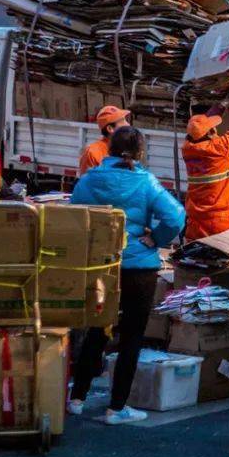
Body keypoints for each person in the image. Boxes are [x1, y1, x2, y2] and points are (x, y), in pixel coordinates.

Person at [68, 126, 185, 425]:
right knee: (131, 337)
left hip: (100, 267)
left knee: (96, 328)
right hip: (139, 270)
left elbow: (74, 215)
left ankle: (77, 398)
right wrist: (156, 238)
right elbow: (175, 216)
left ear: (108, 149)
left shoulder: (89, 180)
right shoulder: (146, 181)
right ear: (141, 152)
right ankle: (117, 407)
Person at [181, 86, 229, 241]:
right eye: (213, 128)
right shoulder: (219, 149)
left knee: (195, 257)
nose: (215, 129)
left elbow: (200, 127)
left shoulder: (187, 148)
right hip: (220, 221)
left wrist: (223, 104)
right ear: (209, 133)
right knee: (223, 260)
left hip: (196, 221)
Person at [79, 105, 130, 175]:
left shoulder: (127, 149)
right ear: (110, 129)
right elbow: (86, 183)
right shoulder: (93, 153)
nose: (128, 124)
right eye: (123, 121)